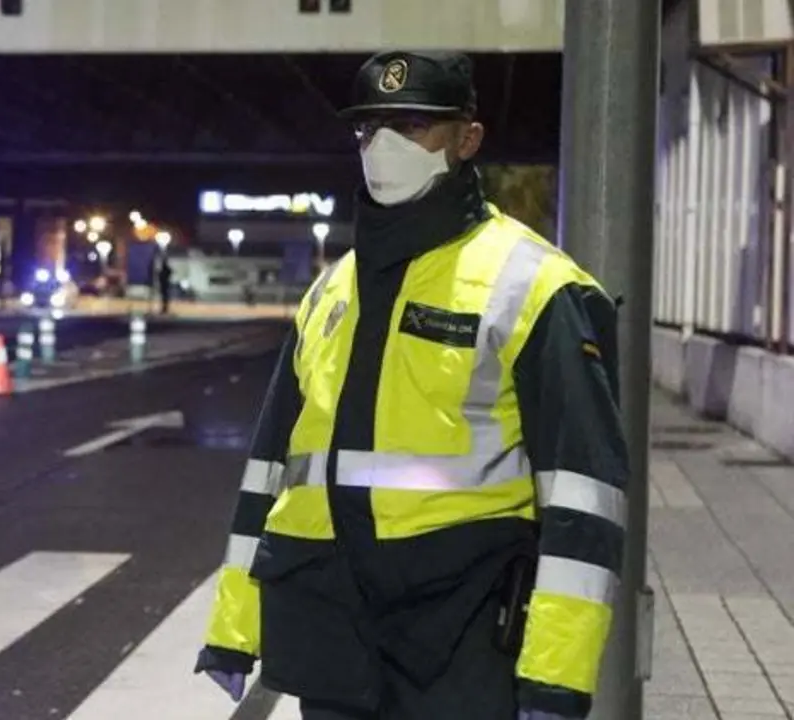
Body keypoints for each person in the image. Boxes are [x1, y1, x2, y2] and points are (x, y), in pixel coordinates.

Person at [193, 51, 629, 720]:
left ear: (467, 138)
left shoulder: (536, 288)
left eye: (412, 125)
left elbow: (585, 498)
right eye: (369, 128)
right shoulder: (330, 291)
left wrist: (555, 677)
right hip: (332, 635)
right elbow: (272, 472)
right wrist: (233, 628)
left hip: (460, 643)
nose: (383, 146)